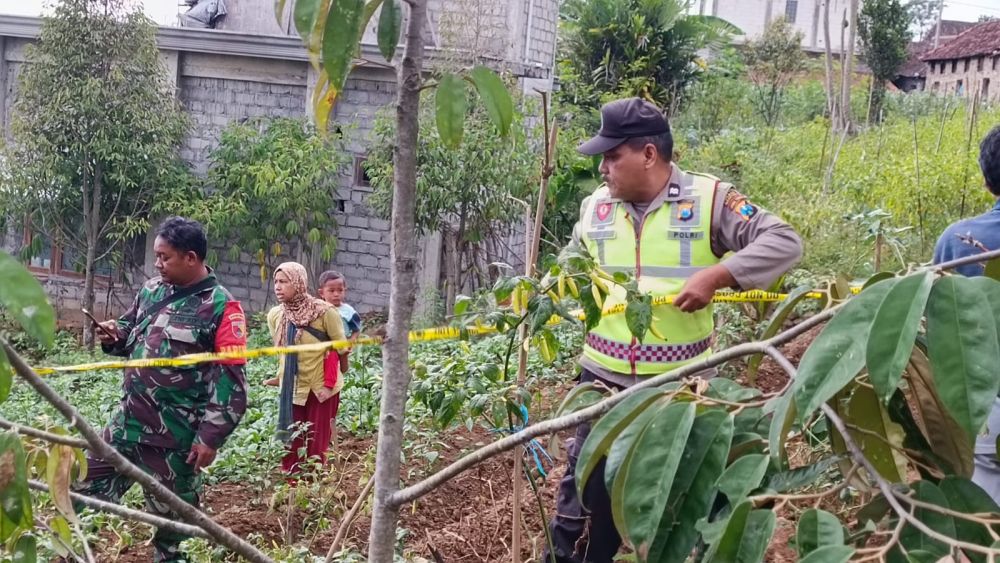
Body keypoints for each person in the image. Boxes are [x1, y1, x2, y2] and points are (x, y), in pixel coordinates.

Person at [547, 98, 803, 563]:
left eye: (611, 156)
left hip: (681, 391)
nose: (602, 168)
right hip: (601, 385)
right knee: (581, 515)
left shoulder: (710, 201)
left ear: (648, 154)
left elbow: (784, 241)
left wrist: (718, 276)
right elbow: (570, 263)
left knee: (680, 506)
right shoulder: (595, 208)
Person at [77, 217, 248, 563]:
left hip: (175, 438)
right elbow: (129, 329)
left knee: (173, 529)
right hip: (128, 424)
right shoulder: (152, 290)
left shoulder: (222, 307)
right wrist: (114, 334)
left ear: (191, 257)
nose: (157, 264)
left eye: (164, 257)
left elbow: (232, 381)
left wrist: (210, 438)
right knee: (79, 488)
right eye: (156, 257)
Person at [932, 124, 1000, 501]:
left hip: (983, 406)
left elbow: (937, 316)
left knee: (986, 519)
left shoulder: (958, 240)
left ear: (987, 181)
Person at [266, 262, 346, 474]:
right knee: (292, 437)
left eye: (284, 281)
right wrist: (280, 376)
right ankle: (292, 482)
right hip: (292, 387)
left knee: (316, 441)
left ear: (299, 283)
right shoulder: (276, 315)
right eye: (276, 281)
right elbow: (282, 351)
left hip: (321, 388)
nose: (278, 287)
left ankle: (312, 484)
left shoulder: (324, 312)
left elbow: (340, 348)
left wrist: (330, 382)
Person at [317, 269, 362, 377]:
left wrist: (350, 342)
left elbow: (356, 329)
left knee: (339, 369)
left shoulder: (349, 312)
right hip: (322, 344)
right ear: (321, 293)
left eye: (340, 290)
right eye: (331, 291)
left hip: (341, 343)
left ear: (345, 290)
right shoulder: (318, 309)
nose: (336, 294)